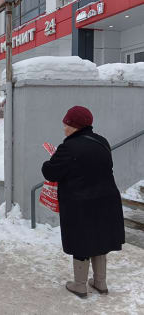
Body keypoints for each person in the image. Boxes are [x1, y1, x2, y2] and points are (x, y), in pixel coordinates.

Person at [42, 106, 125, 298]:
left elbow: (50, 172)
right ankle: (100, 283)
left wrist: (52, 160)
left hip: (81, 203)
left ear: (75, 126)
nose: (64, 128)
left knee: (81, 241)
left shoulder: (68, 147)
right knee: (100, 238)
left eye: (66, 125)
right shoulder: (102, 142)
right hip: (107, 200)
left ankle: (80, 285)